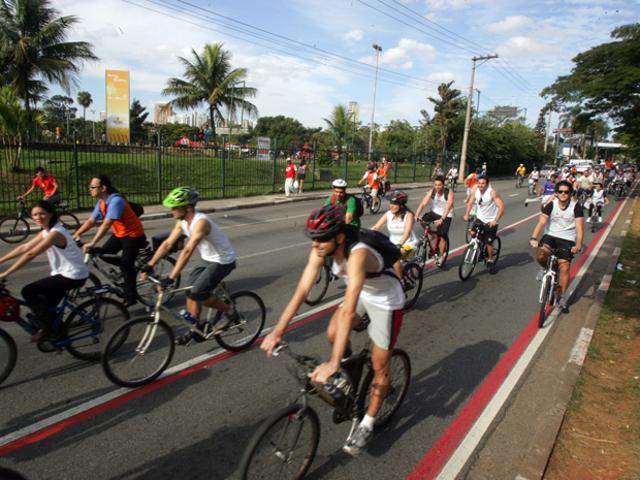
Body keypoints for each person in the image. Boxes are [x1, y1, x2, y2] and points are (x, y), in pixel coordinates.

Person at [261, 205, 405, 456]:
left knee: (380, 364)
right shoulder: (321, 248)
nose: (315, 245)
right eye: (313, 239)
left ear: (339, 237)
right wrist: (278, 331)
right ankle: (352, 372)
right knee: (332, 332)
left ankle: (367, 424)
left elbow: (349, 310)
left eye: (321, 239)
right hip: (361, 294)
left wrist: (333, 363)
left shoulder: (357, 253)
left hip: (386, 301)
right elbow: (302, 290)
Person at [143, 187, 237, 343]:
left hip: (223, 260)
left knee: (198, 294)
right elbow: (167, 244)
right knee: (189, 291)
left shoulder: (201, 222)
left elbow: (187, 251)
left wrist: (171, 278)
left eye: (174, 207)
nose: (171, 211)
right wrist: (150, 264)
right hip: (207, 259)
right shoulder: (182, 222)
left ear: (187, 208)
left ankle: (230, 311)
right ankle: (196, 328)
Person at [0, 200, 88, 340]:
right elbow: (24, 248)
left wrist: (6, 273)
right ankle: (59, 331)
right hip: (62, 273)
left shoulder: (56, 233)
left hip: (73, 275)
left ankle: (46, 329)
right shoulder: (46, 231)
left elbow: (31, 254)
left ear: (51, 214)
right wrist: (1, 260)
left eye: (42, 213)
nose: (38, 217)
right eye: (34, 214)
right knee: (45, 306)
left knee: (28, 291)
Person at [73, 175, 146, 307]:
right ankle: (130, 267)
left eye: (92, 187)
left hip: (133, 235)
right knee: (104, 254)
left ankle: (131, 297)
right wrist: (77, 233)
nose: (89, 189)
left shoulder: (116, 201)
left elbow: (106, 224)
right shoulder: (102, 202)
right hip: (120, 234)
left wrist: (92, 242)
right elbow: (91, 221)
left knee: (125, 266)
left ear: (103, 188)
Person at [529, 180, 584, 313]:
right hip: (550, 236)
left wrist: (578, 245)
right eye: (560, 192)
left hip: (567, 240)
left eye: (566, 192)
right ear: (556, 193)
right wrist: (534, 238)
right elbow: (542, 222)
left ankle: (562, 297)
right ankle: (543, 269)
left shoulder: (576, 207)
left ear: (570, 194)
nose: (563, 194)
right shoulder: (551, 205)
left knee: (564, 267)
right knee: (541, 255)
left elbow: (580, 228)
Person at [371, 190, 418, 276]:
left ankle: (399, 282)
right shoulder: (388, 214)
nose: (392, 206)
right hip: (392, 245)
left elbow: (407, 233)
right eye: (391, 203)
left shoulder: (408, 215)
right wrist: (365, 234)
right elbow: (376, 227)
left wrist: (399, 245)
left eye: (395, 204)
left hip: (408, 245)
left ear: (401, 205)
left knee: (394, 258)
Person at [463, 175, 505, 267]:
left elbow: (502, 207)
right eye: (479, 183)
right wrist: (466, 214)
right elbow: (470, 203)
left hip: (491, 221)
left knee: (489, 242)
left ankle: (490, 258)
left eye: (483, 183)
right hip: (480, 218)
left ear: (487, 184)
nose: (480, 185)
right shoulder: (476, 191)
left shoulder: (492, 193)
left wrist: (495, 220)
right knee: (473, 233)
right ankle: (479, 249)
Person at [415, 176, 454, 266]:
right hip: (435, 212)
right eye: (435, 185)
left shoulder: (448, 193)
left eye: (439, 185)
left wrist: (442, 219)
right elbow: (423, 203)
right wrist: (417, 215)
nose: (437, 187)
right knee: (423, 220)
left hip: (446, 215)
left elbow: (448, 206)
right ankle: (431, 235)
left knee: (443, 236)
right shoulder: (432, 191)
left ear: (443, 185)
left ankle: (440, 256)